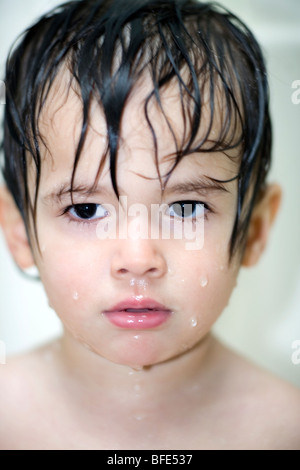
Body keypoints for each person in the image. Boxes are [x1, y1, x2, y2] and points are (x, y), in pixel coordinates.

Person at [0, 0, 299, 450]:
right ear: (20, 231)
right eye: (85, 210)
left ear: (254, 229)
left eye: (185, 208)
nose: (138, 259)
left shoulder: (285, 430)